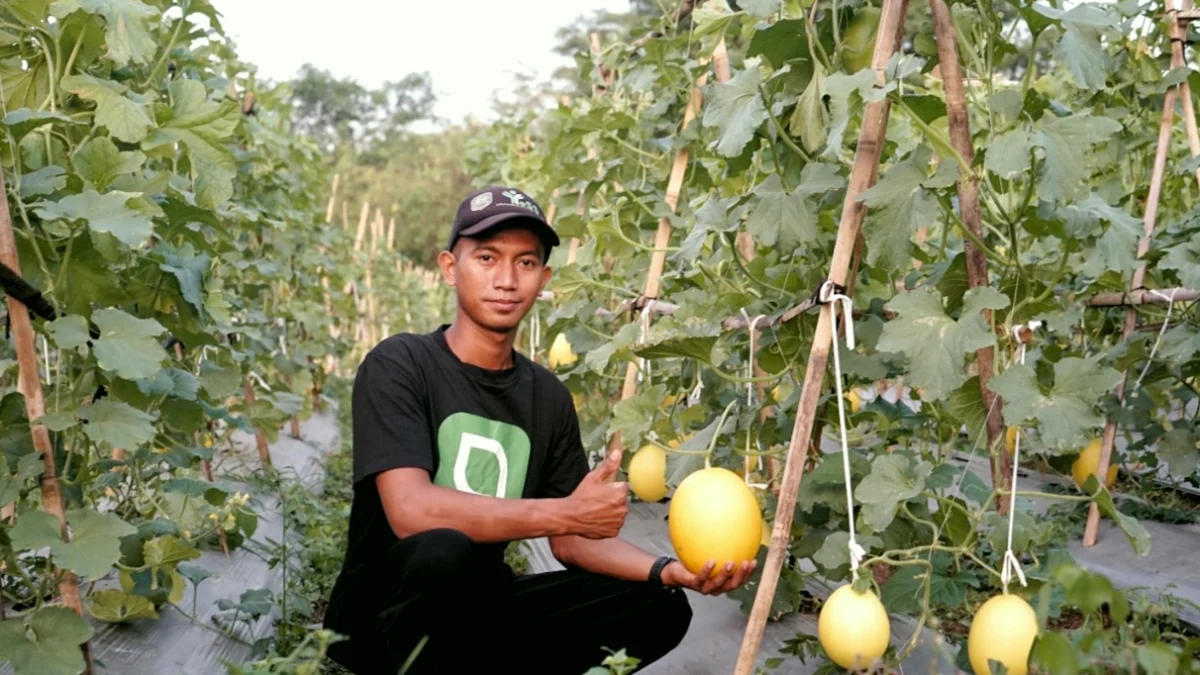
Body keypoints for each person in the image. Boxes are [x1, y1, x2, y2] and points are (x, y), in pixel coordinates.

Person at [322, 186, 757, 675]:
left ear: (543, 277)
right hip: (380, 617)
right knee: (445, 550)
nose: (506, 279)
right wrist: (563, 512)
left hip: (479, 611)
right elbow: (412, 511)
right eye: (487, 257)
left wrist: (667, 570)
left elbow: (573, 540)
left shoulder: (546, 396)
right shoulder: (401, 364)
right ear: (449, 267)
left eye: (525, 263)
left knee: (659, 604)